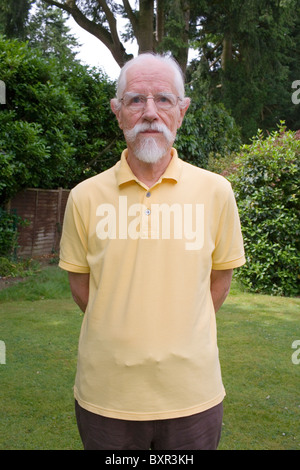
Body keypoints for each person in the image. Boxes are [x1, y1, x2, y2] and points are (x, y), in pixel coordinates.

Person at [59, 53, 245, 450]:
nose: (149, 112)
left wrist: (179, 333)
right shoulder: (84, 196)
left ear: (182, 110)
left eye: (163, 99)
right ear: (117, 111)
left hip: (193, 394)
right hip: (106, 395)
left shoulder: (216, 191)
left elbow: (220, 280)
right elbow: (81, 288)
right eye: (135, 100)